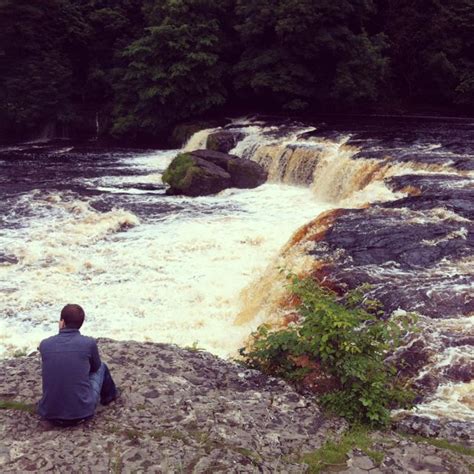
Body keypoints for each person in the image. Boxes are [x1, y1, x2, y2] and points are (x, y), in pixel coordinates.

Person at [38, 304, 118, 426]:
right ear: (80, 324)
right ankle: (109, 397)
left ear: (62, 322)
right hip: (82, 413)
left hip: (49, 414)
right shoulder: (88, 343)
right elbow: (96, 368)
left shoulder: (45, 344)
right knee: (102, 367)